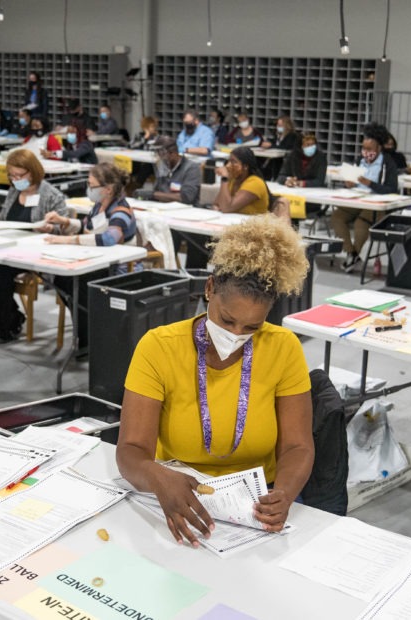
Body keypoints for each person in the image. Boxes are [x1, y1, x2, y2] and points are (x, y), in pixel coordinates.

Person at [117, 216, 313, 545]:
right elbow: (131, 451)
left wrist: (283, 494)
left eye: (252, 328)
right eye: (227, 319)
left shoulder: (284, 348)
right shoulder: (159, 347)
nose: (235, 335)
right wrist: (156, 476)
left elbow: (298, 446)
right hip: (174, 488)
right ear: (209, 289)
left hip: (256, 501)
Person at [41, 162, 137, 348]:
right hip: (94, 262)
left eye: (92, 186)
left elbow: (110, 238)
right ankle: (86, 331)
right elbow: (87, 228)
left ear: (107, 189)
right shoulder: (98, 206)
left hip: (117, 268)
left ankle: (88, 336)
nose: (88, 189)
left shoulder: (121, 211)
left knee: (78, 285)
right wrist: (64, 221)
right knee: (63, 280)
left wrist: (69, 240)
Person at [0, 149, 70, 343]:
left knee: (0, 273)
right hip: (11, 247)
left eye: (20, 175)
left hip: (36, 253)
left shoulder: (51, 195)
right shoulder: (14, 191)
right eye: (12, 176)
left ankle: (6, 325)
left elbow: (64, 229)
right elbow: (6, 219)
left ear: (33, 171)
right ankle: (12, 316)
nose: (15, 180)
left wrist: (49, 229)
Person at [331, 124, 400, 271]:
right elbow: (353, 179)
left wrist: (370, 184)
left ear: (379, 148)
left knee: (360, 223)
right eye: (364, 148)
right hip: (357, 199)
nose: (366, 152)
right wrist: (349, 184)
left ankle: (352, 256)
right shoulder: (359, 161)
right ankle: (351, 253)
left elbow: (392, 189)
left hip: (377, 203)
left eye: (370, 149)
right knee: (337, 217)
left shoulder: (388, 164)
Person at [134, 136, 202, 206]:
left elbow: (186, 197)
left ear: (173, 154)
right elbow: (158, 191)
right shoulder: (163, 167)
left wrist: (153, 194)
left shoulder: (191, 168)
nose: (160, 158)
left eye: (162, 155)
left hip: (186, 211)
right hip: (163, 208)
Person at [214, 146, 270, 215]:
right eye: (228, 161)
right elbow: (216, 204)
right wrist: (216, 207)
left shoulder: (255, 182)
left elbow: (227, 208)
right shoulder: (232, 180)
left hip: (252, 224)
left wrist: (224, 178)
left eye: (233, 162)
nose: (228, 165)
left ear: (245, 166)